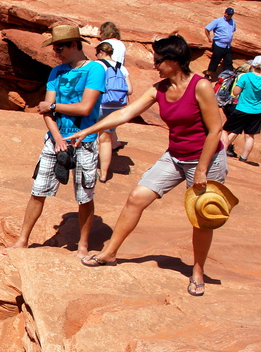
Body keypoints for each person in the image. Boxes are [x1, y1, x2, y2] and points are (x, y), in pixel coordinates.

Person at [70, 34, 228, 297]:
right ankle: (110, 253)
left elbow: (215, 130)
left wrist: (201, 170)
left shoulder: (200, 86)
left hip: (206, 159)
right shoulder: (159, 89)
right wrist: (89, 130)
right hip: (175, 156)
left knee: (201, 218)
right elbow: (124, 113)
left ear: (175, 61)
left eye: (158, 60)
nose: (155, 65)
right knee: (136, 197)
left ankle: (197, 271)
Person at [3, 24, 105, 258]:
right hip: (56, 139)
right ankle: (22, 241)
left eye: (60, 48)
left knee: (84, 196)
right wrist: (57, 137)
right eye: (54, 48)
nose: (56, 53)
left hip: (84, 140)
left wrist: (54, 106)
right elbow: (44, 110)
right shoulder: (56, 72)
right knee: (38, 190)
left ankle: (82, 246)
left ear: (74, 44)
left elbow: (85, 107)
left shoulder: (95, 70)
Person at [94, 41, 133, 182]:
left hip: (98, 106)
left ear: (101, 52)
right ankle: (103, 174)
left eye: (96, 53)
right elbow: (130, 90)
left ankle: (86, 169)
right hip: (115, 109)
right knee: (105, 141)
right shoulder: (122, 67)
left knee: (87, 137)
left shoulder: (97, 65)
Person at [221, 55, 261, 166]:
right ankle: (243, 158)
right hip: (256, 111)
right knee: (249, 135)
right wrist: (256, 97)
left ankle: (221, 153)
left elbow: (236, 92)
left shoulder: (245, 77)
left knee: (226, 131)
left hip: (242, 109)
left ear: (252, 64)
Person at [204, 7, 236, 80]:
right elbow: (207, 29)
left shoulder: (233, 22)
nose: (229, 16)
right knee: (215, 60)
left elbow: (233, 30)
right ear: (225, 13)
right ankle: (207, 75)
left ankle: (227, 78)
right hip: (219, 45)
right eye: (228, 14)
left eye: (231, 14)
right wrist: (209, 38)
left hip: (227, 46)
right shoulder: (218, 21)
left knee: (229, 62)